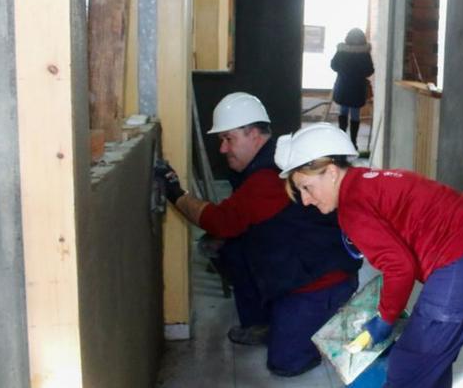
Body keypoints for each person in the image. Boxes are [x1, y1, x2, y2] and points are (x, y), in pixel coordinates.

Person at [273, 123, 463, 388]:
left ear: (332, 172)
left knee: (408, 365)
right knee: (431, 361)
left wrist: (385, 318)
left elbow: (399, 267)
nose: (306, 199)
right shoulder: (367, 181)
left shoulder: (353, 206)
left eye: (306, 187)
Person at [154, 92, 362, 377]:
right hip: (303, 267)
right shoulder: (272, 157)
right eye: (222, 141)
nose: (224, 149)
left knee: (285, 363)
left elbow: (220, 220)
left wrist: (175, 193)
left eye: (229, 139)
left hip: (321, 282)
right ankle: (266, 321)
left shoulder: (268, 176)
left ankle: (330, 326)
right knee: (230, 247)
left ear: (253, 134)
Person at [330, 27, 374, 148]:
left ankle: (342, 140)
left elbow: (333, 65)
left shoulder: (342, 50)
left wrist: (344, 71)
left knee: (343, 111)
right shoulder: (364, 52)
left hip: (343, 85)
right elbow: (370, 70)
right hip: (357, 87)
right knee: (355, 114)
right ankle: (353, 142)